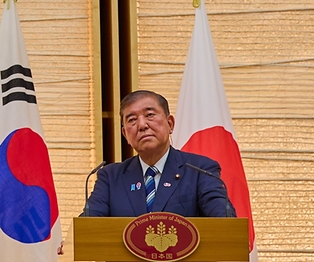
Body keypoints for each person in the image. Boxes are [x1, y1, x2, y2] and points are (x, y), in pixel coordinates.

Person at [84, 90, 233, 217]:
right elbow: (88, 226)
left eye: (150, 115)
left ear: (170, 124)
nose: (142, 125)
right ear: (125, 134)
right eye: (132, 119)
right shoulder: (111, 177)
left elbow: (224, 222)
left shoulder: (200, 170)